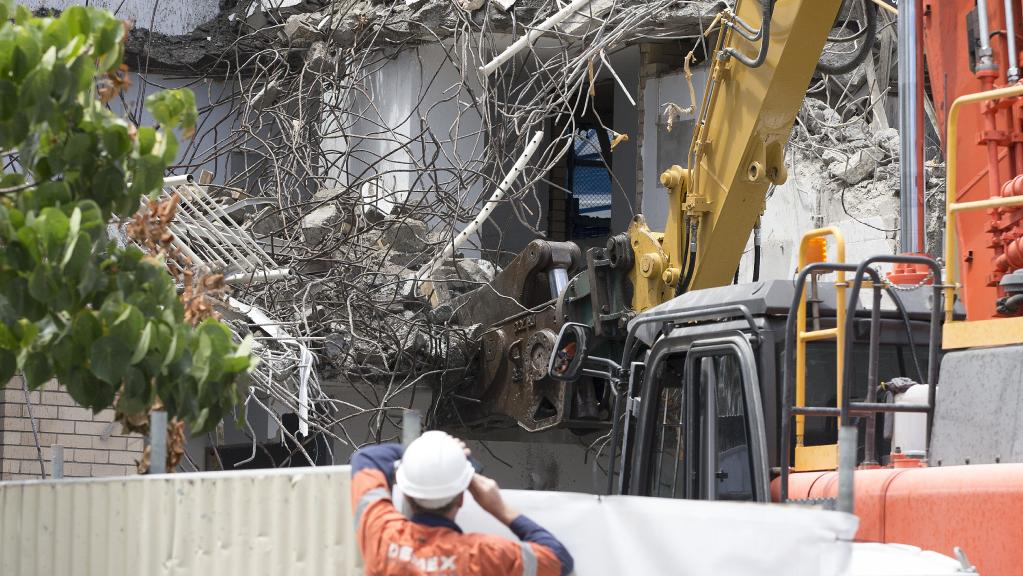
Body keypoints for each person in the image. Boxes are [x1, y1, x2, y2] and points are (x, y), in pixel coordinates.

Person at [350, 430, 574, 576]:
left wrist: (423, 454)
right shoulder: (484, 555)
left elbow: (368, 458)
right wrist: (500, 509)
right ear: (462, 496)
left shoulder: (381, 535)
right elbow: (558, 560)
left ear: (406, 494)